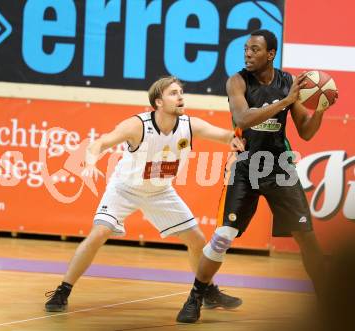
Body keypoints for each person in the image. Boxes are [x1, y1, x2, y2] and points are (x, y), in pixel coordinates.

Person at [44, 76, 246, 312]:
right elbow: (100, 143)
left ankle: (208, 291)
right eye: (173, 93)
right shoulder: (138, 125)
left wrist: (239, 141)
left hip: (161, 192)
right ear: (158, 102)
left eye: (181, 91)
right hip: (125, 189)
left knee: (198, 240)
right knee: (99, 232)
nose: (180, 96)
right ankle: (63, 291)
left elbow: (226, 136)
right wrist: (90, 161)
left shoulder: (190, 125)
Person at [176, 29, 337, 323]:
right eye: (246, 49)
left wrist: (321, 110)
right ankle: (196, 296)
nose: (247, 54)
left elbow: (306, 132)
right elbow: (242, 118)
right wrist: (285, 102)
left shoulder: (288, 83)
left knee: (307, 237)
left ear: (270, 54)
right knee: (224, 235)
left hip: (280, 167)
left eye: (254, 50)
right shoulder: (237, 81)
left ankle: (328, 302)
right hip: (246, 164)